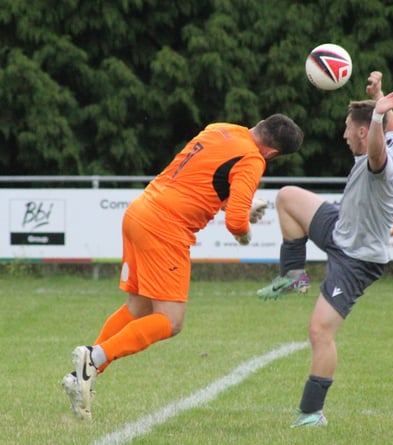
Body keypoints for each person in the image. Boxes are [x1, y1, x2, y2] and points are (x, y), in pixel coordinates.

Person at [61, 114, 304, 421]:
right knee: (171, 321)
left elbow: (200, 178)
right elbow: (236, 223)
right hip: (165, 227)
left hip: (140, 211)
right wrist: (244, 232)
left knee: (138, 308)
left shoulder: (222, 129)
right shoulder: (254, 159)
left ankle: (80, 375)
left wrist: (236, 203)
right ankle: (93, 359)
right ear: (273, 153)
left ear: (260, 123)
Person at [256, 71, 393, 427]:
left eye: (346, 128)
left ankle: (311, 413)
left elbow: (377, 149)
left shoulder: (379, 162)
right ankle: (293, 276)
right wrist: (380, 99)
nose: (342, 135)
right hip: (342, 227)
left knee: (319, 332)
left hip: (357, 259)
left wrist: (374, 116)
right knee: (288, 197)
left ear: (362, 132)